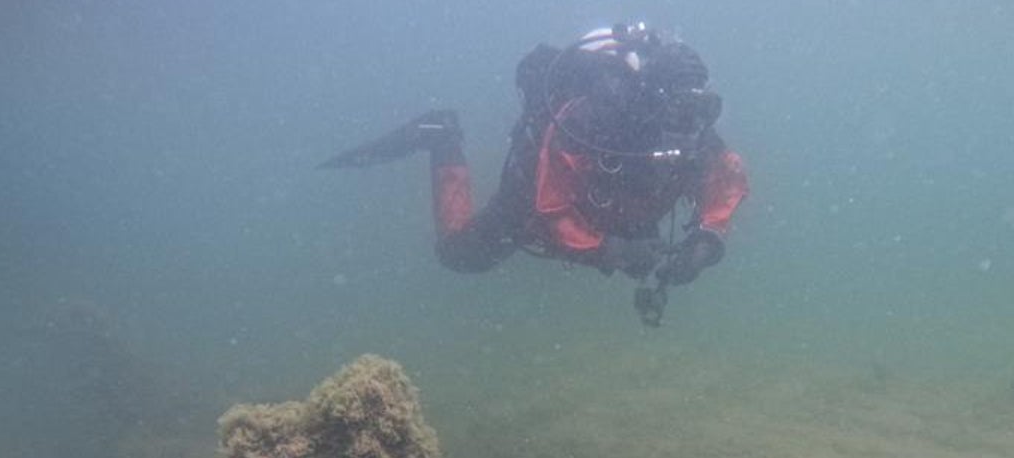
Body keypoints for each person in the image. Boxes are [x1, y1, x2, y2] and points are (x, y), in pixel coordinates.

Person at [321, 23, 749, 326]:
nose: (690, 123)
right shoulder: (588, 122)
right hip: (532, 205)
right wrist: (611, 252)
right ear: (649, 103)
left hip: (612, 214)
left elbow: (726, 181)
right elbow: (551, 206)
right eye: (679, 108)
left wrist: (708, 242)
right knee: (458, 256)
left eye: (702, 109)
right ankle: (441, 137)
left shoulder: (695, 132)